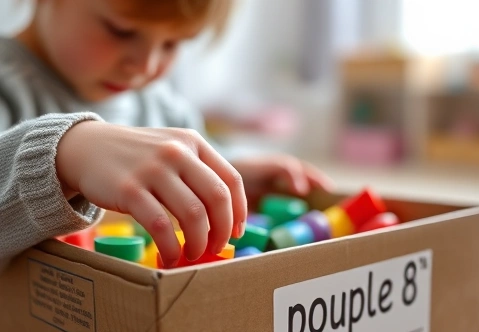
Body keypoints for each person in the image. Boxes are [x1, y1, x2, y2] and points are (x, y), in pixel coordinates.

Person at [0, 0, 334, 270]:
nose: (146, 66)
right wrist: (66, 154)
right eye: (122, 31)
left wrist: (231, 172)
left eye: (173, 43)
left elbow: (186, 165)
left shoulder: (162, 104)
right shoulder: (7, 86)